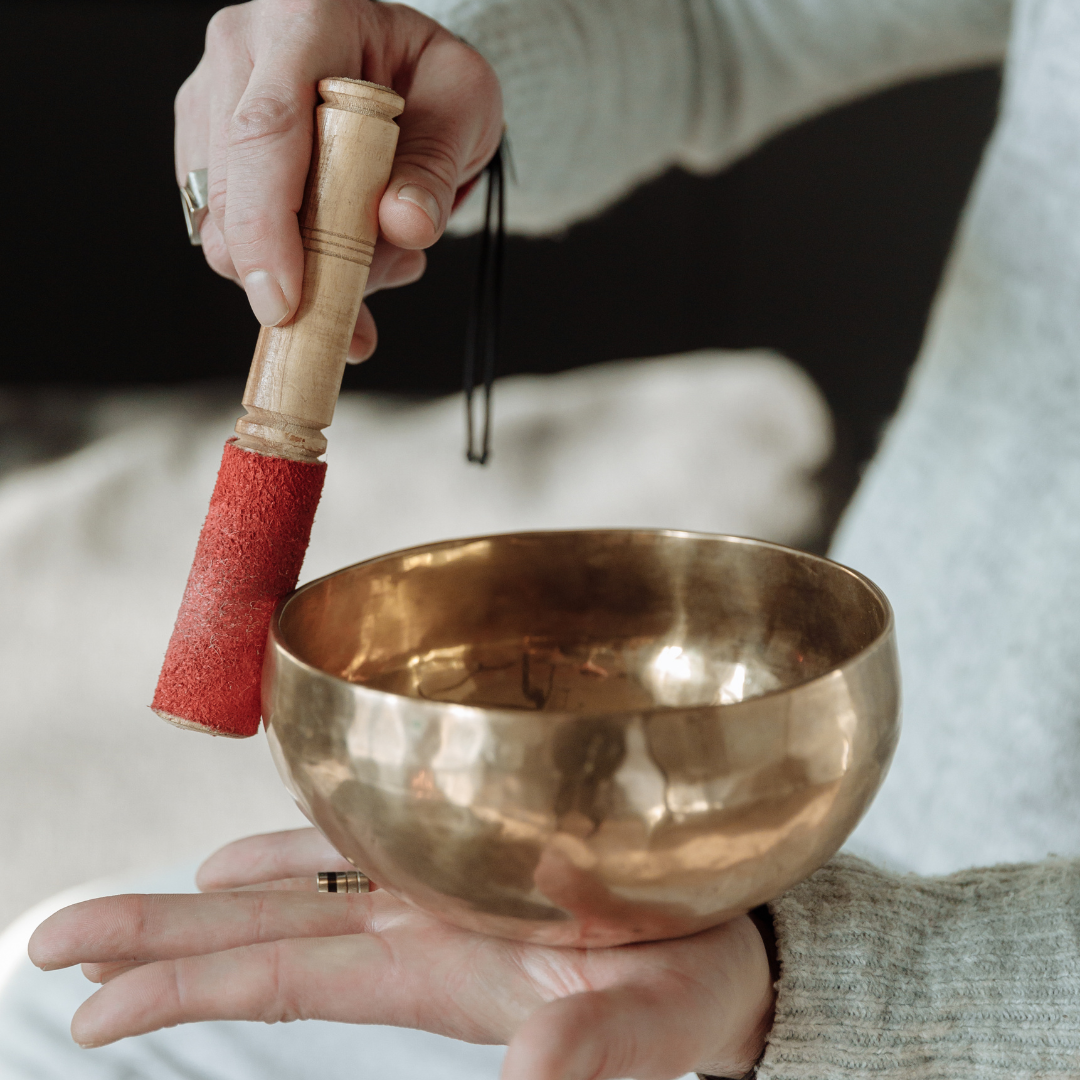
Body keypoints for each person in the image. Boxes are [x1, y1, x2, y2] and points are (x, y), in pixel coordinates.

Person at [20, 0, 1080, 1076]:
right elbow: (719, 25)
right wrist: (438, 69)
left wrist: (866, 983)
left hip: (957, 989)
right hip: (823, 829)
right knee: (44, 1020)